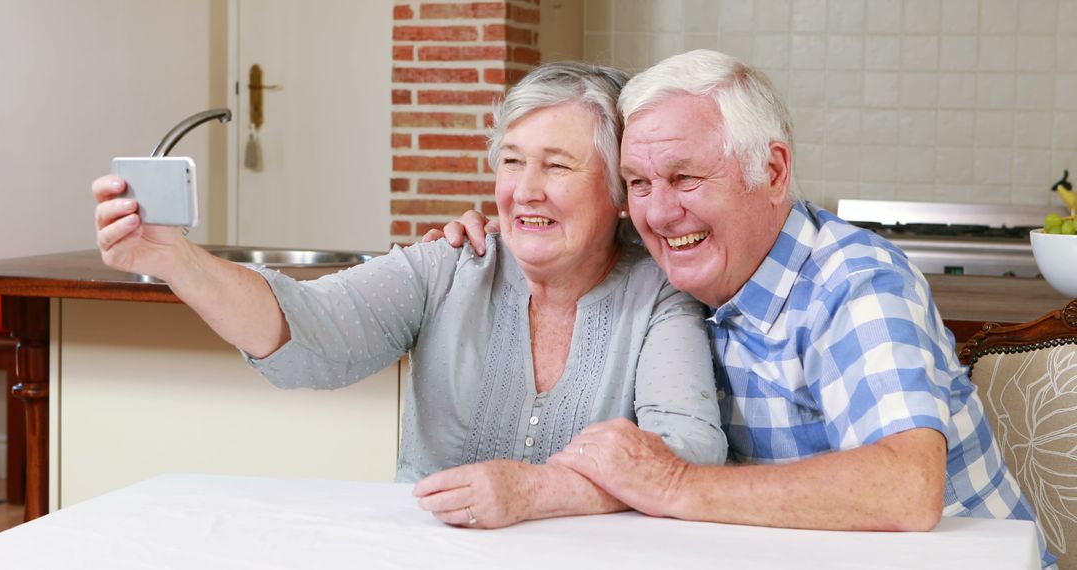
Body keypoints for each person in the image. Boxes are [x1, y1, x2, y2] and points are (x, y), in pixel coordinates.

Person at [428, 50, 1055, 567]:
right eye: (639, 184)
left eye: (687, 178)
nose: (659, 212)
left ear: (773, 172)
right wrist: (494, 243)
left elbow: (907, 489)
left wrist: (673, 484)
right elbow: (576, 232)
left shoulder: (855, 283)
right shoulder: (676, 275)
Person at [91, 61, 726, 531]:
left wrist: (538, 492)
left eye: (557, 166)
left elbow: (686, 453)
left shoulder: (660, 295)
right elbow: (308, 329)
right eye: (511, 161)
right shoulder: (450, 264)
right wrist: (177, 260)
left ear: (619, 192)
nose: (525, 189)